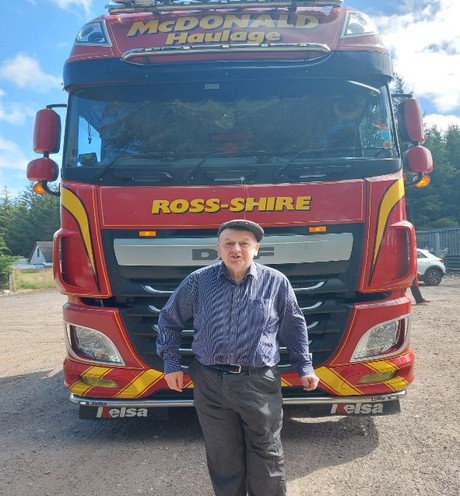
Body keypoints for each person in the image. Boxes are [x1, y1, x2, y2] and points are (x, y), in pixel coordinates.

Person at [157, 219, 319, 496]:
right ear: (217, 249)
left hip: (258, 382)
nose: (236, 249)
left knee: (266, 453)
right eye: (229, 243)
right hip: (210, 382)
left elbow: (293, 325)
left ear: (256, 248)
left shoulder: (276, 282)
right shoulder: (198, 282)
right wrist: (171, 363)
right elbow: (169, 319)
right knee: (223, 456)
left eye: (244, 243)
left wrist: (304, 365)